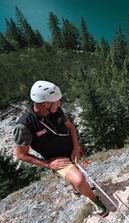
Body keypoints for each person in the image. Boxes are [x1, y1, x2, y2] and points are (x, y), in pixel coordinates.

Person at [13, 80, 108, 217]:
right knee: (80, 179)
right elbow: (21, 155)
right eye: (56, 101)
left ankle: (76, 189)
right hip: (57, 160)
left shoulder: (56, 111)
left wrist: (76, 147)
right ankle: (94, 199)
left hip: (71, 151)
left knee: (77, 181)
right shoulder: (25, 126)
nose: (60, 104)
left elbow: (70, 127)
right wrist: (49, 164)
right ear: (45, 104)